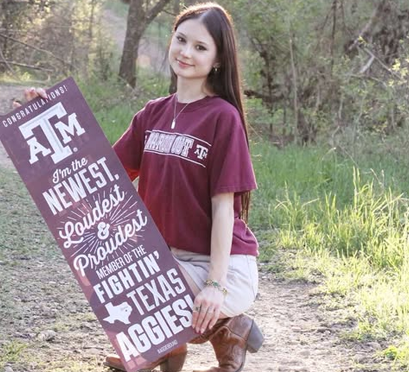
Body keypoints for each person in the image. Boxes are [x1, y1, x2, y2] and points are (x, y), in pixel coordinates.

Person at [19, 3, 262, 371]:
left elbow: (223, 207)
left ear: (217, 60)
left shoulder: (222, 118)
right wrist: (49, 119)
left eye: (200, 47)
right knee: (111, 267)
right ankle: (168, 345)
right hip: (169, 259)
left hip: (223, 265)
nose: (185, 52)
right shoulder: (154, 113)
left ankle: (229, 328)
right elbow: (101, 173)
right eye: (181, 40)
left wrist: (215, 283)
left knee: (144, 282)